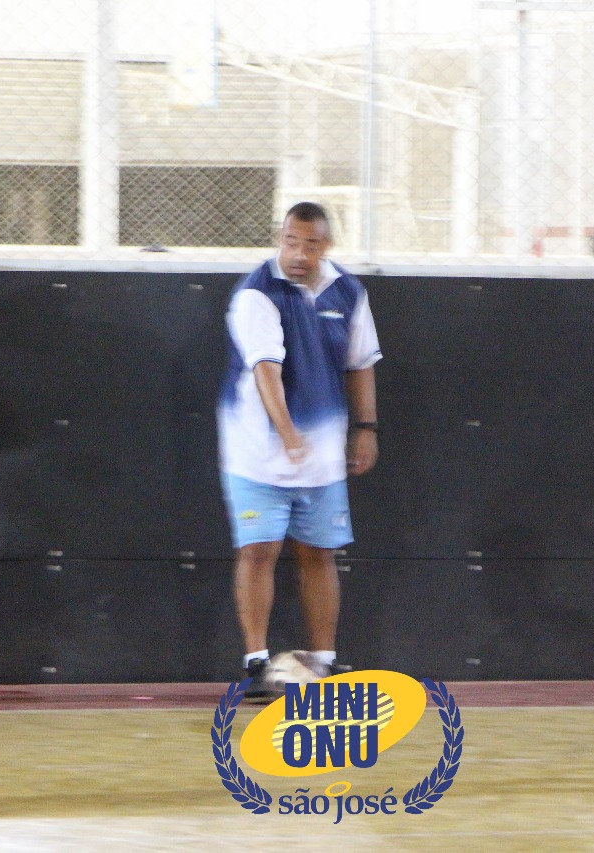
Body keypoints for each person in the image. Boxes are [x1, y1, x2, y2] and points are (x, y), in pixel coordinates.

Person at [217, 201, 381, 701]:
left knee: (319, 553)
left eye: (310, 244)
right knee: (258, 551)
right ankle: (256, 666)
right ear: (280, 239)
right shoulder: (256, 294)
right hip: (255, 453)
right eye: (291, 241)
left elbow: (360, 363)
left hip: (323, 457)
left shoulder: (348, 291)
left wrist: (366, 428)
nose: (298, 254)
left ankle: (323, 665)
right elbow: (265, 369)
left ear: (325, 245)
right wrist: (287, 432)